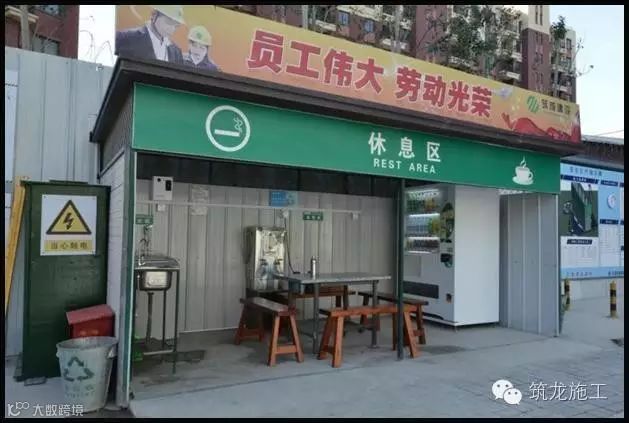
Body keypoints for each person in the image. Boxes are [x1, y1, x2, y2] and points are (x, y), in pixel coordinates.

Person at [116, 5, 185, 64]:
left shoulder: (176, 52)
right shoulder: (126, 38)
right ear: (154, 15)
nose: (172, 29)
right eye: (169, 21)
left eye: (176, 26)